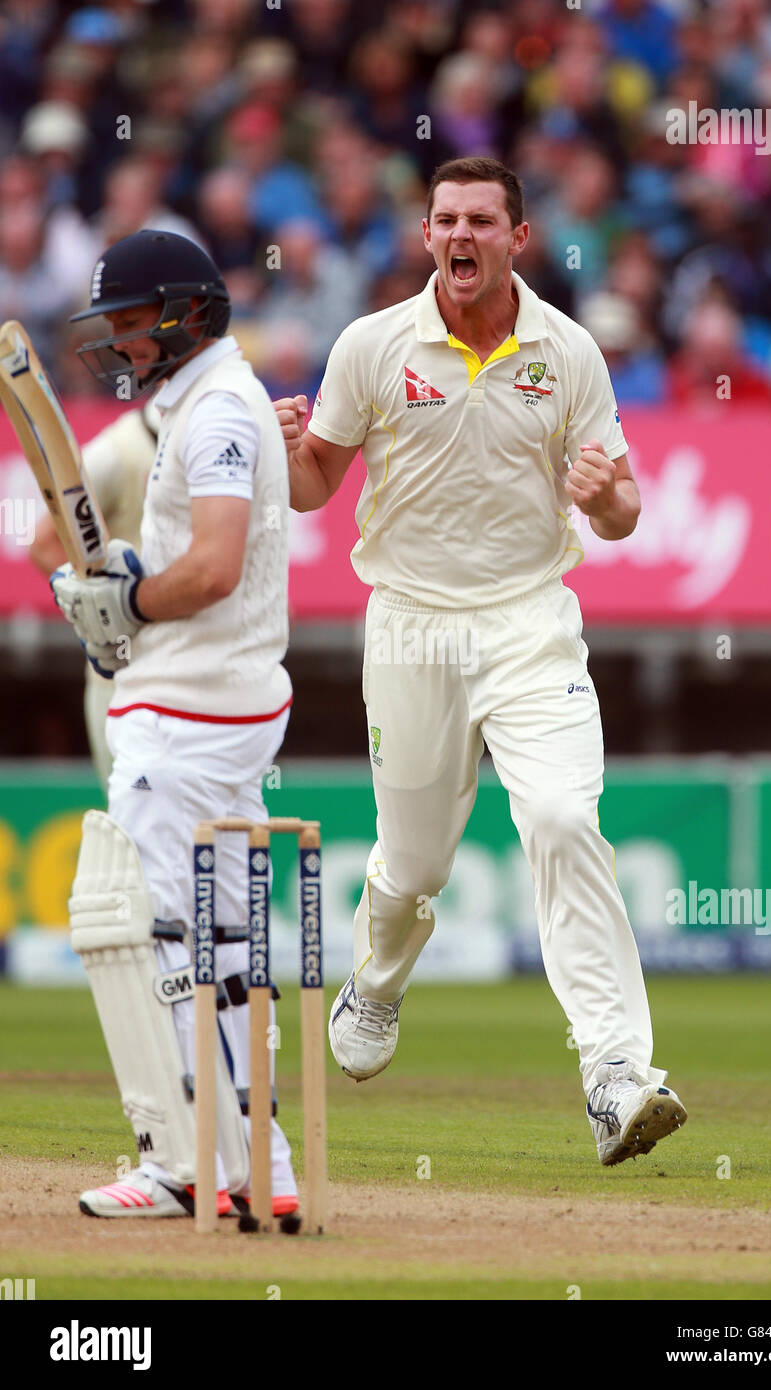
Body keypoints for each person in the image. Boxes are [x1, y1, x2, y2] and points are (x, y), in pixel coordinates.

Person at [276, 156, 687, 1167]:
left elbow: (624, 505)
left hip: (527, 622)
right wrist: (286, 448)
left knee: (558, 816)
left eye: (478, 221)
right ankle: (374, 983)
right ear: (426, 236)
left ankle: (615, 1074)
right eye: (443, 220)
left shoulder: (568, 351)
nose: (458, 236)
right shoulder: (372, 344)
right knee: (413, 864)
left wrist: (601, 497)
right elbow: (310, 487)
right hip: (410, 625)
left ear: (517, 236)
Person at [49, 229, 299, 1217]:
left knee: (162, 941)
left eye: (125, 319)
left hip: (186, 711)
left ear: (180, 313)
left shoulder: (219, 410)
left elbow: (217, 564)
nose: (114, 338)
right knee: (222, 948)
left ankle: (192, 1164)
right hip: (206, 702)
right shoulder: (202, 402)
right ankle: (261, 1171)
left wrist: (132, 606)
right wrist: (123, 595)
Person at [30, 401, 158, 791]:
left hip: (189, 670)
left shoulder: (211, 437)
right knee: (134, 819)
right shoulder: (118, 452)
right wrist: (107, 605)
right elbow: (45, 543)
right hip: (122, 679)